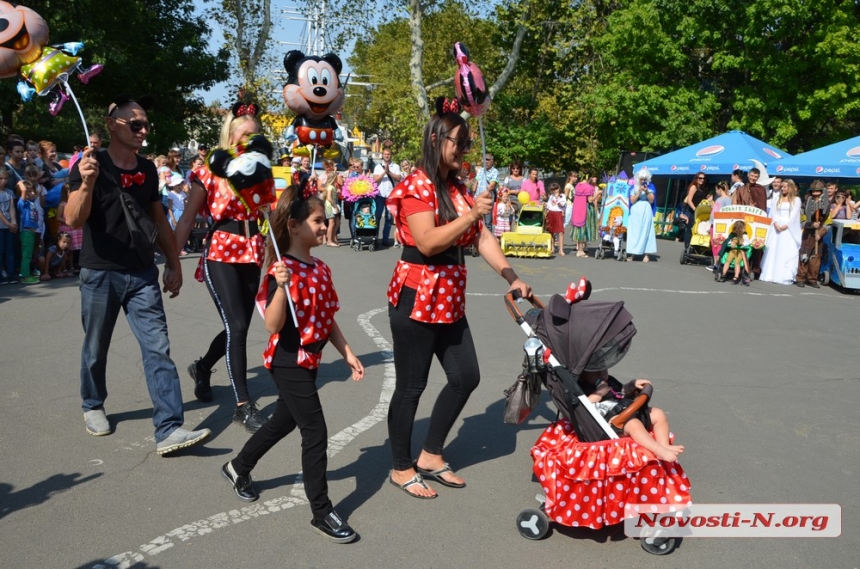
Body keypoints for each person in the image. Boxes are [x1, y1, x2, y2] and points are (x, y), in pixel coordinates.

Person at [385, 97, 531, 498]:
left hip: (447, 297)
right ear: (436, 140)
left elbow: (482, 236)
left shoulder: (457, 188)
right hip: (416, 294)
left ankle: (431, 454)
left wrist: (511, 275)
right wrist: (470, 215)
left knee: (466, 377)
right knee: (411, 387)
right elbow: (428, 243)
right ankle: (400, 466)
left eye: (467, 143)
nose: (464, 150)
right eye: (458, 142)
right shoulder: (416, 185)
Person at [64, 94, 211, 454]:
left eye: (145, 124)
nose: (143, 130)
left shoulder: (146, 169)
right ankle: (93, 404)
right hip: (100, 273)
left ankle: (170, 428)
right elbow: (72, 219)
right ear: (113, 124)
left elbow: (158, 218)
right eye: (135, 124)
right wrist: (85, 184)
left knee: (157, 349)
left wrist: (173, 263)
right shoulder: (89, 164)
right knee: (96, 347)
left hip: (143, 273)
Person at [221, 185, 364, 543]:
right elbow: (271, 325)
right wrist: (281, 287)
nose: (324, 225)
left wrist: (347, 353)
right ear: (296, 226)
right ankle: (321, 510)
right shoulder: (280, 272)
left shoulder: (321, 268)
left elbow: (327, 318)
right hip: (287, 361)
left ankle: (238, 466)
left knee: (283, 422)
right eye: (317, 220)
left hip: (311, 360)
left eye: (324, 219)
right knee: (314, 432)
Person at [173, 101, 271, 432]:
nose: (249, 141)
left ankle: (202, 367)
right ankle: (243, 405)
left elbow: (269, 214)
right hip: (222, 251)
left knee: (237, 325)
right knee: (239, 327)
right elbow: (187, 218)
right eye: (244, 135)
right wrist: (174, 263)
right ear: (229, 135)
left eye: (254, 136)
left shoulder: (260, 170)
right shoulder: (207, 172)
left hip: (253, 249)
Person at [580, 370, 684, 463]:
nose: (601, 374)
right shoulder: (582, 387)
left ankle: (664, 444)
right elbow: (581, 410)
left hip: (628, 410)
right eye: (595, 372)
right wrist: (597, 394)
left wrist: (633, 384)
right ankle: (658, 450)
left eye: (604, 370)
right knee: (633, 424)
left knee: (658, 413)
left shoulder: (609, 380)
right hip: (611, 422)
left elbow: (622, 391)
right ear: (583, 374)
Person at [760, 179, 801, 285]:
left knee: (785, 251)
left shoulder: (796, 200)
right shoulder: (777, 199)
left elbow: (794, 215)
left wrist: (786, 225)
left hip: (788, 228)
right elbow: (773, 213)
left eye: (785, 187)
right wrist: (776, 223)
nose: (783, 188)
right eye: (782, 186)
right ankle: (770, 274)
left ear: (790, 188)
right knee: (774, 249)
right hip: (776, 227)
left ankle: (784, 275)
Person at [796, 181, 829, 288]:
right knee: (804, 255)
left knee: (816, 256)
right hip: (808, 233)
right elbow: (802, 220)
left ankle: (812, 279)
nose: (815, 194)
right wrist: (811, 224)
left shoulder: (826, 205)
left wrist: (820, 233)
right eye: (814, 192)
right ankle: (801, 278)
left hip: (819, 233)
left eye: (818, 192)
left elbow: (828, 222)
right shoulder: (805, 204)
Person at [626, 168, 657, 262]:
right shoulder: (633, 187)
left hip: (646, 209)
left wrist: (647, 191)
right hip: (636, 209)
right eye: (641, 179)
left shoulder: (651, 187)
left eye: (644, 179)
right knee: (634, 231)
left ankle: (646, 254)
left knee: (646, 230)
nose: (643, 181)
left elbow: (651, 201)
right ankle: (632, 253)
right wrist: (639, 191)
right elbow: (632, 200)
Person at [373, 147, 402, 247]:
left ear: (391, 155)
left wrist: (389, 172)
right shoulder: (377, 166)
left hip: (390, 195)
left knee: (389, 218)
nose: (386, 156)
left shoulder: (396, 166)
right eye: (385, 154)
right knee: (377, 217)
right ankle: (375, 237)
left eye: (388, 154)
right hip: (380, 195)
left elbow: (398, 178)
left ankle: (385, 239)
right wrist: (384, 172)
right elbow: (375, 180)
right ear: (382, 155)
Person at [16, 181, 41, 284]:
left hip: (31, 233)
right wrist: (20, 182)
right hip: (26, 233)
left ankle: (28, 273)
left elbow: (37, 192)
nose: (32, 193)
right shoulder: (22, 203)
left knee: (29, 255)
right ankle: (24, 276)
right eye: (29, 191)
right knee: (26, 256)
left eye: (33, 191)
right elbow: (23, 190)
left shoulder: (31, 202)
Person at [56, 183, 82, 273]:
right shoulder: (63, 204)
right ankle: (68, 267)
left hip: (76, 228)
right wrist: (67, 221)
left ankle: (76, 266)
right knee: (69, 249)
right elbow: (58, 217)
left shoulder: (76, 203)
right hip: (67, 228)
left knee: (76, 248)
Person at [717, 220, 751, 285]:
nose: (744, 229)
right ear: (739, 228)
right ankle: (723, 274)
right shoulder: (733, 235)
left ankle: (736, 277)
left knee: (737, 263)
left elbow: (747, 243)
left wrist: (742, 244)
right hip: (733, 250)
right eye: (743, 228)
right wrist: (731, 243)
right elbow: (728, 241)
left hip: (740, 251)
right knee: (727, 261)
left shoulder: (744, 235)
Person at [472, 153, 498, 231]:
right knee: (476, 218)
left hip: (487, 198)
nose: (485, 162)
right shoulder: (480, 170)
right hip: (477, 197)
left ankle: (488, 239)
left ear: (492, 161)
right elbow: (476, 182)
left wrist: (483, 196)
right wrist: (473, 192)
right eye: (484, 159)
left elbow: (491, 185)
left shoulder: (494, 171)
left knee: (487, 221)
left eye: (488, 160)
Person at [0, 168, 18, 284]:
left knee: (10, 250)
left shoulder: (9, 192)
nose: (3, 181)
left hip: (10, 226)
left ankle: (11, 274)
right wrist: (8, 224)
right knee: (1, 250)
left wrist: (14, 222)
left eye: (5, 178)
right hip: (1, 226)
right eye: (1, 179)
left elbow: (12, 208)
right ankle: (1, 275)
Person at [570, 179, 594, 258]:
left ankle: (580, 249)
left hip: (577, 210)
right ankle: (580, 251)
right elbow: (590, 200)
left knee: (579, 230)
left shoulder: (577, 186)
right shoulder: (588, 187)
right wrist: (598, 194)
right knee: (584, 231)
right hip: (585, 210)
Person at [545, 182, 567, 256]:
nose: (555, 191)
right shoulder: (551, 196)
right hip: (551, 213)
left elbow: (562, 204)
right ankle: (552, 247)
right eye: (553, 190)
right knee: (551, 231)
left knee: (560, 231)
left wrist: (557, 198)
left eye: (556, 189)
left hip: (558, 213)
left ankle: (561, 249)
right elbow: (548, 205)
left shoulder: (562, 196)